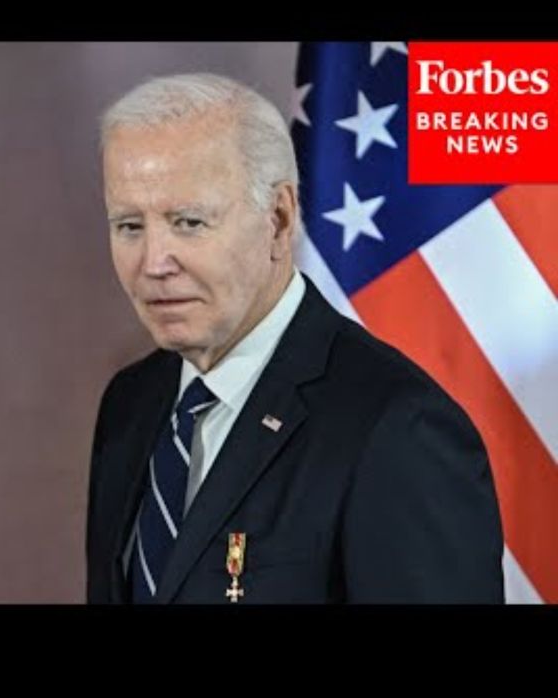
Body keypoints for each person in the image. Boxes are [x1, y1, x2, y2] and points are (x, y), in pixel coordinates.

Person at [86, 73, 503, 603]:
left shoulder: (396, 426)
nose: (154, 263)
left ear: (279, 220)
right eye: (129, 226)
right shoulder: (131, 402)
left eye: (188, 222)